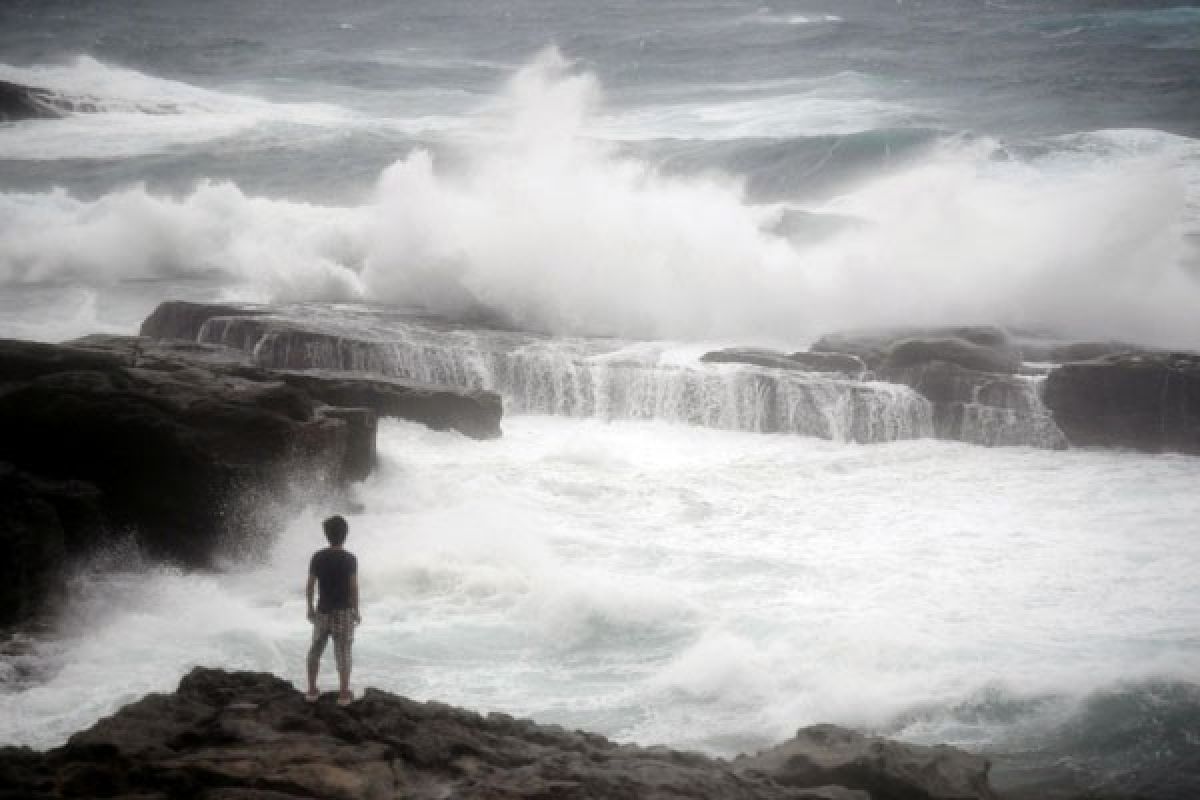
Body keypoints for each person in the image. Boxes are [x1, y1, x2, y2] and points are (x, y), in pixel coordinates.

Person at [305, 514, 360, 706]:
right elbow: (353, 588)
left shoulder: (318, 557)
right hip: (344, 612)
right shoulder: (350, 559)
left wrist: (310, 608)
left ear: (326, 535)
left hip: (322, 611)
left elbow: (310, 585)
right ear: (345, 534)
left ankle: (311, 691)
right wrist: (356, 610)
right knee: (343, 652)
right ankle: (344, 695)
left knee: (315, 650)